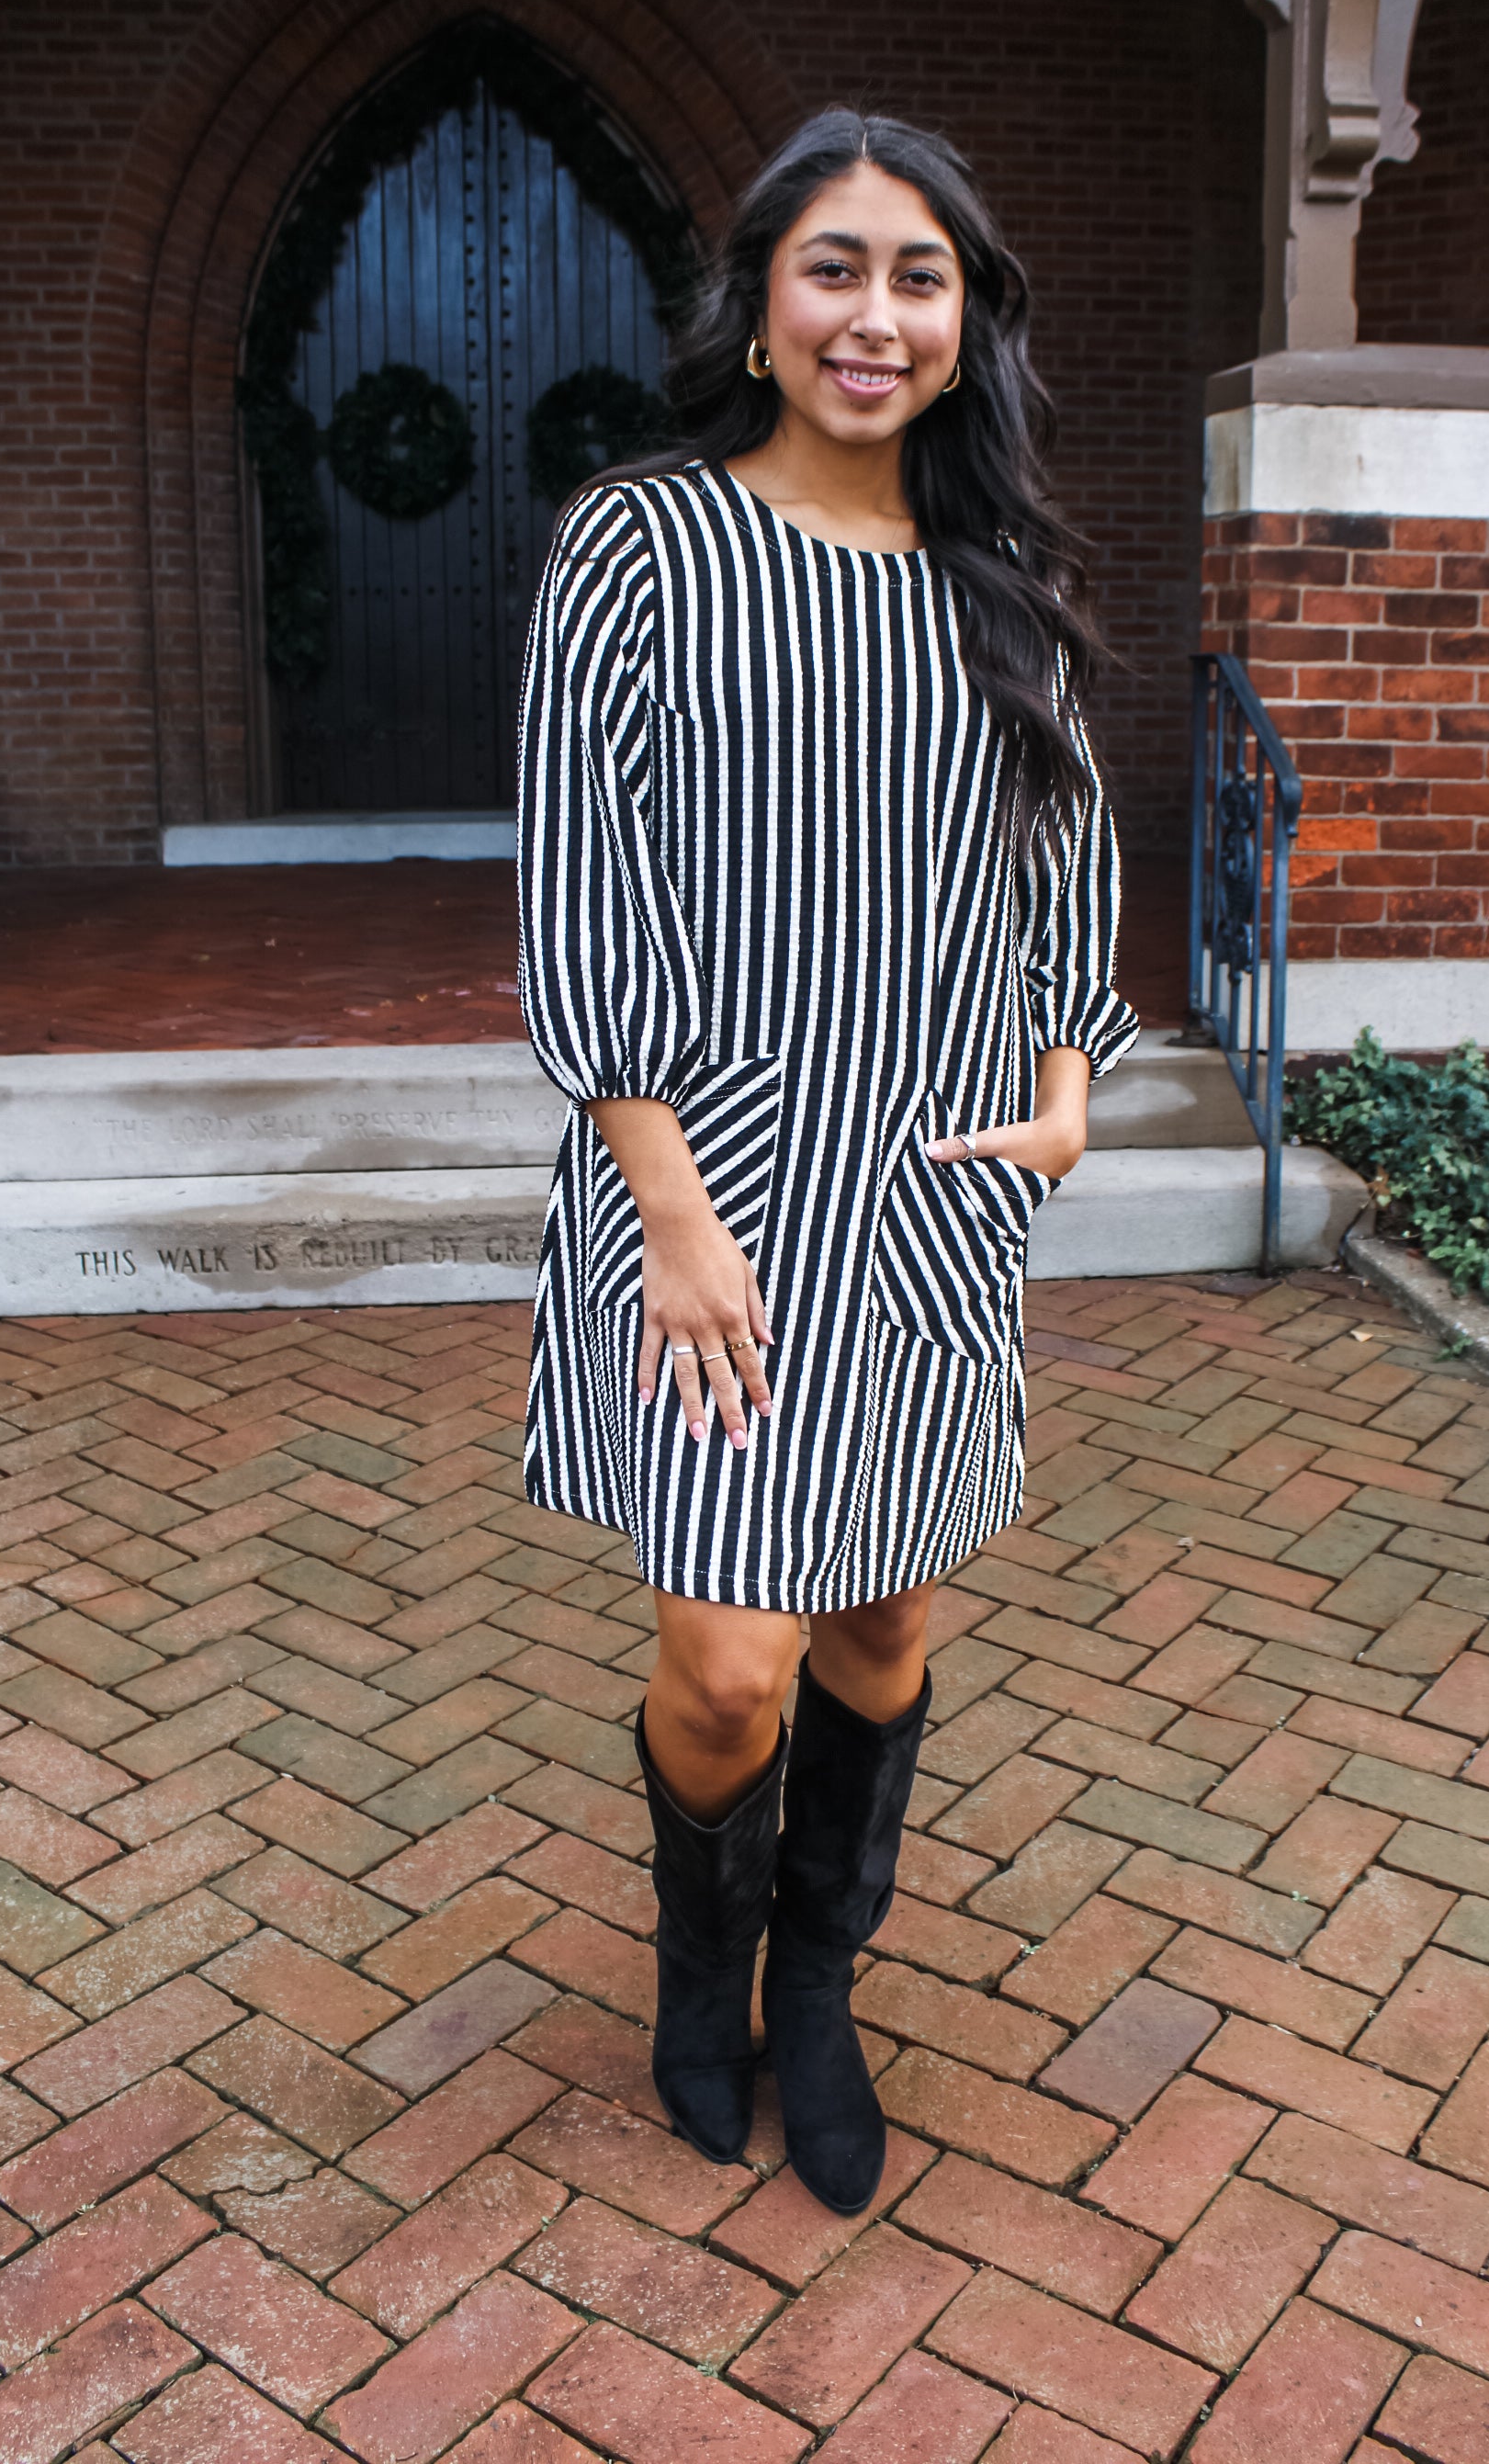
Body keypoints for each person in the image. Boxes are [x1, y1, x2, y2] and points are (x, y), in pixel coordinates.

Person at [516, 107, 1139, 2215]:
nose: (876, 316)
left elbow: (1068, 861)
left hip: (932, 1178)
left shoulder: (1003, 584)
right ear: (761, 309)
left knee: (875, 1619)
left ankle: (816, 1989)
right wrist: (667, 1218)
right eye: (835, 269)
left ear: (967, 327)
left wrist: (1066, 1080)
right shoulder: (637, 548)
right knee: (725, 1663)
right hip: (705, 1187)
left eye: (918, 278)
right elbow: (583, 892)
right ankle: (700, 1974)